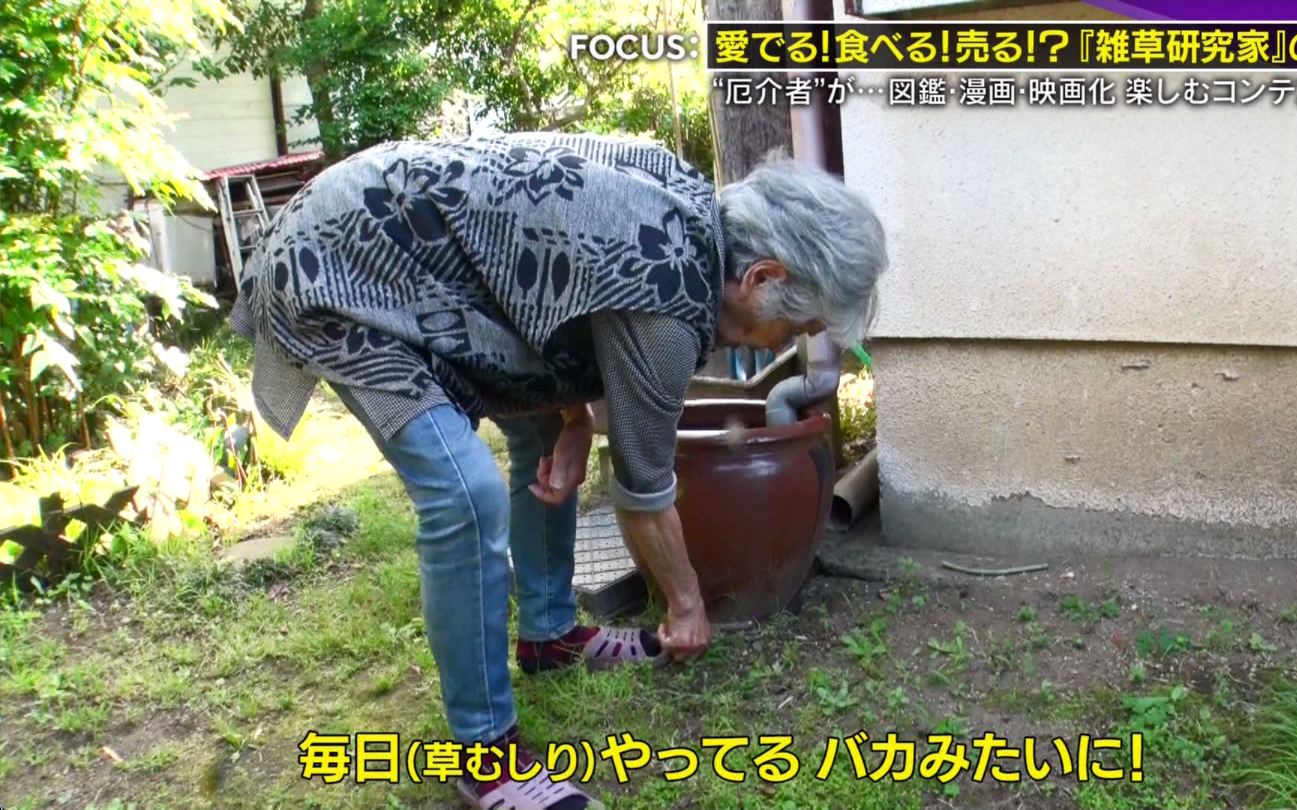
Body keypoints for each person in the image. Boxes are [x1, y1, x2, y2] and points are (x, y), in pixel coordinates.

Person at [231, 131, 886, 809]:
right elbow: (643, 488)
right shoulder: (668, 294)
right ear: (762, 278)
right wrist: (687, 604)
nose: (791, 341)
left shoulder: (687, 219)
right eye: (800, 326)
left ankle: (549, 636)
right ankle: (485, 757)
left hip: (396, 247)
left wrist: (574, 419)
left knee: (541, 433)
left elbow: (540, 289)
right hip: (336, 268)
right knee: (464, 497)